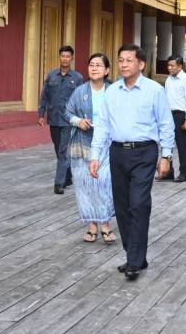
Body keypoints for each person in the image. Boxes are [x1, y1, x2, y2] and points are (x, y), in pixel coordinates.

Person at [89, 45, 175, 281]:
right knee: (122, 207)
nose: (124, 64)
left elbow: (166, 124)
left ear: (141, 64)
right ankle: (135, 255)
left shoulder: (154, 90)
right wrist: (95, 155)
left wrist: (166, 156)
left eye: (129, 60)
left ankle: (134, 261)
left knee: (139, 204)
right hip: (117, 153)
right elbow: (103, 125)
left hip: (144, 153)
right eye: (121, 60)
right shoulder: (111, 92)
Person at [64, 53, 117, 244]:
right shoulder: (80, 91)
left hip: (107, 144)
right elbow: (67, 112)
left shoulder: (114, 91)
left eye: (99, 65)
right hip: (83, 144)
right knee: (85, 185)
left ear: (107, 70)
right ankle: (92, 225)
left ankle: (105, 223)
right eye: (91, 65)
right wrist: (78, 121)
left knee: (104, 183)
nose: (94, 68)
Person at [39, 45, 85, 194]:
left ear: (71, 58)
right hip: (53, 119)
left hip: (68, 120)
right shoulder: (52, 76)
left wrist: (80, 119)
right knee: (58, 149)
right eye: (62, 56)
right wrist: (41, 114)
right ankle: (68, 176)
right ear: (59, 57)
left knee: (63, 151)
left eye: (67, 56)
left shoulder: (77, 78)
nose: (65, 59)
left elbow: (81, 100)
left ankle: (59, 183)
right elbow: (44, 96)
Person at [162, 56, 186, 182]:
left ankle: (184, 172)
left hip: (180, 115)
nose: (169, 68)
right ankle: (169, 171)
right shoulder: (168, 79)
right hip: (168, 115)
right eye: (168, 65)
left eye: (172, 65)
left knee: (181, 145)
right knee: (167, 143)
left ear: (180, 66)